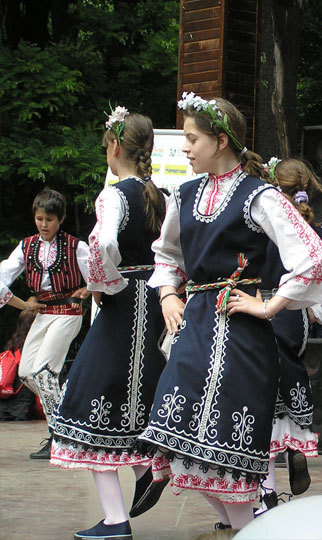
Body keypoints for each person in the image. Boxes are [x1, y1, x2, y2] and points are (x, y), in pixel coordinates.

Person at [137, 93, 322, 534]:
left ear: (220, 140)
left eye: (192, 138)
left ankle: (255, 527)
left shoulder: (259, 196)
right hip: (196, 329)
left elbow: (313, 258)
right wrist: (169, 294)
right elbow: (167, 255)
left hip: (241, 335)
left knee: (226, 449)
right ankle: (253, 527)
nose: (185, 147)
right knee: (175, 435)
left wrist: (269, 305)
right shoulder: (184, 195)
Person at [49, 107, 168, 540]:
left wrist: (103, 283)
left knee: (85, 402)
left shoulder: (114, 195)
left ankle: (117, 520)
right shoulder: (160, 195)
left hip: (123, 303)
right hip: (155, 298)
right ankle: (145, 469)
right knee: (129, 400)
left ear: (114, 146)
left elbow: (101, 243)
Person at [256, 157, 322, 514]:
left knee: (261, 401)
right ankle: (294, 445)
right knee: (283, 387)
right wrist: (319, 312)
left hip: (258, 313)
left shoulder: (264, 226)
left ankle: (266, 492)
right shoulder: (320, 234)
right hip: (294, 319)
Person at [0, 189, 90, 458]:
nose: (43, 224)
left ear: (60, 219)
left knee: (44, 373)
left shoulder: (77, 246)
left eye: (49, 219)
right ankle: (71, 416)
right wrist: (24, 304)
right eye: (39, 218)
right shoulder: (26, 246)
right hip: (42, 313)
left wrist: (87, 289)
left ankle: (59, 436)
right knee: (26, 371)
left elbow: (99, 278)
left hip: (69, 313)